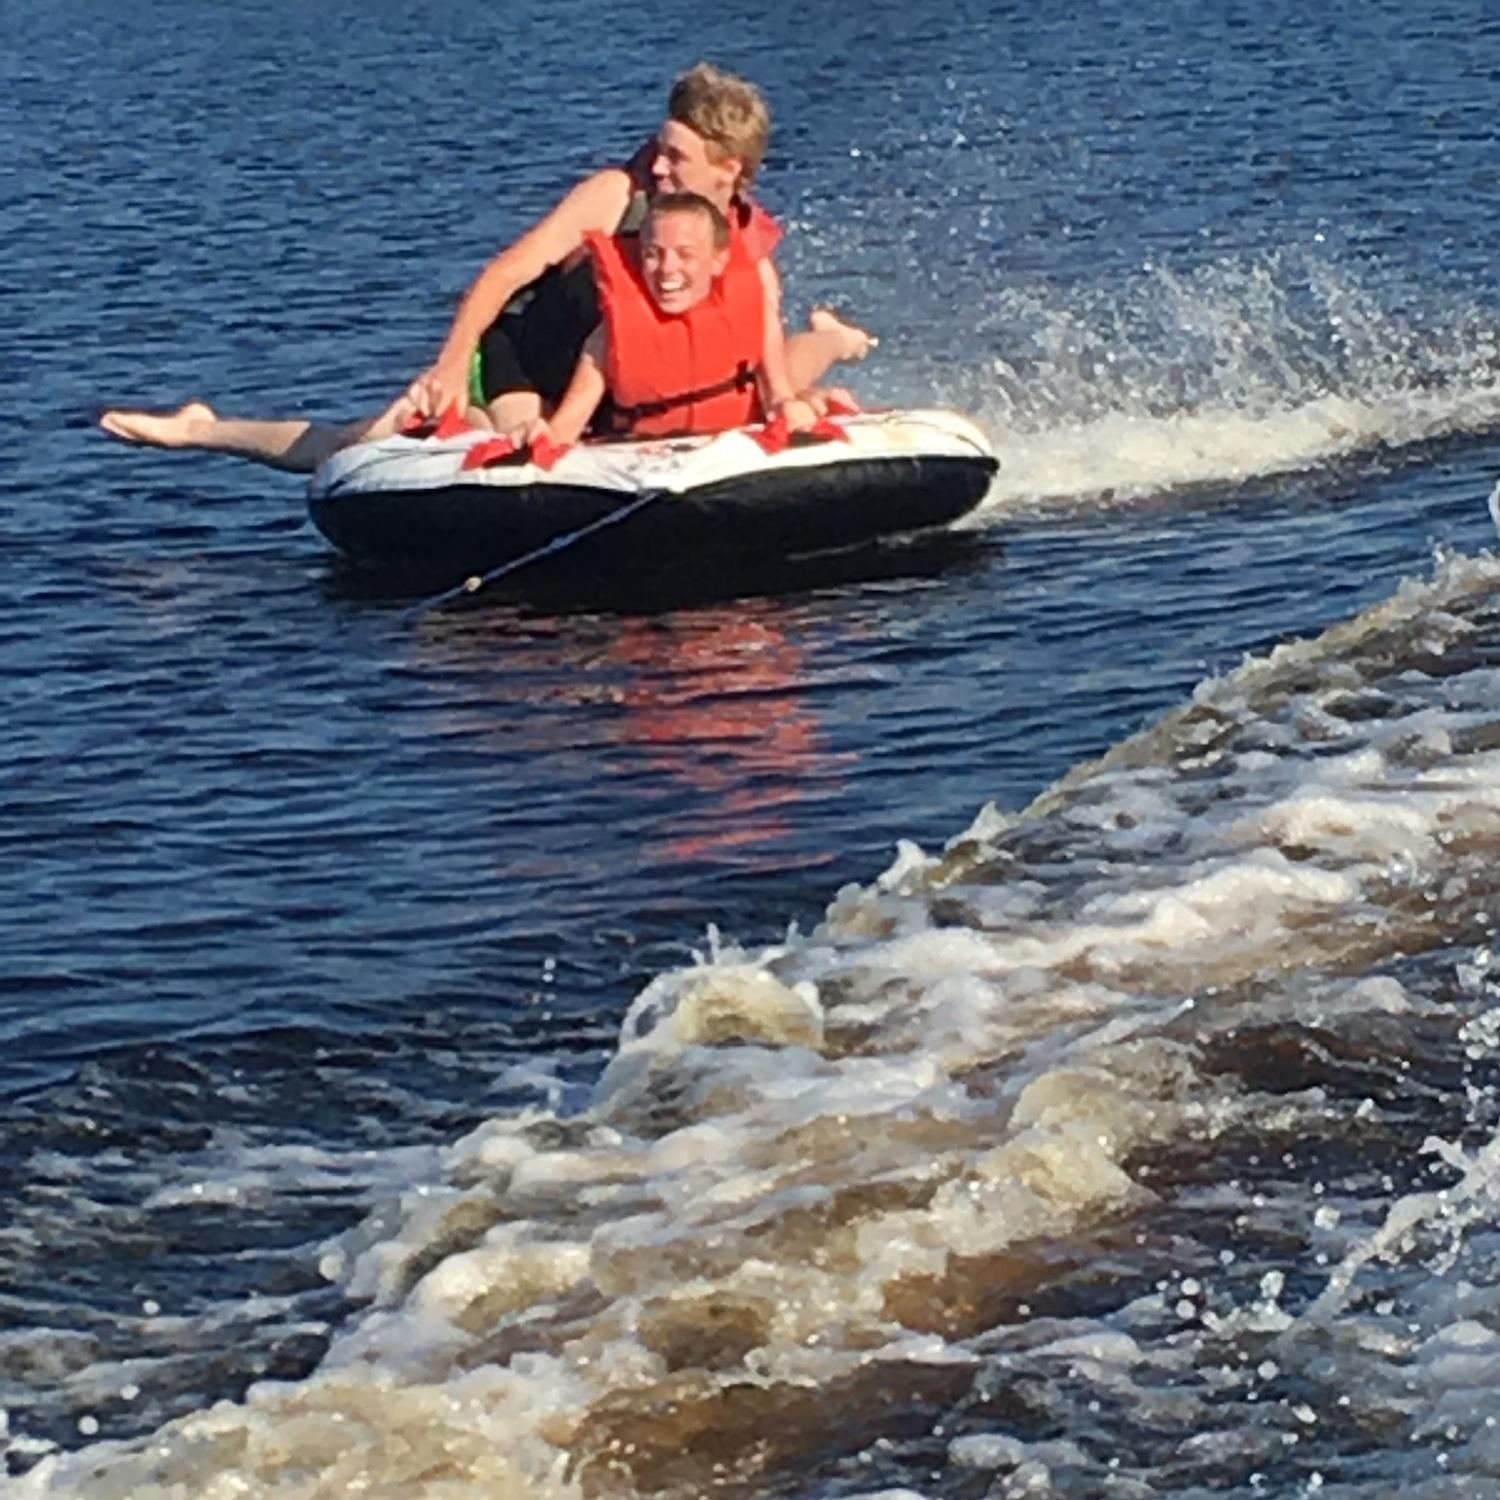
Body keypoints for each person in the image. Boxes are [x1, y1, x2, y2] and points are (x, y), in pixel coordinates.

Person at [99, 63, 870, 473]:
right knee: (371, 442)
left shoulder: (736, 235)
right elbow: (503, 275)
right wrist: (446, 366)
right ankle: (206, 429)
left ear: (728, 171)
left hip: (627, 382)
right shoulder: (614, 196)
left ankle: (830, 338)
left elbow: (741, 333)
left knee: (769, 368)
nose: (658, 165)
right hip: (528, 360)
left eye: (677, 155)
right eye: (659, 146)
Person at [517, 193, 822, 452]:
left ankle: (835, 338)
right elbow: (565, 428)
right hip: (643, 450)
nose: (667, 269)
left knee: (805, 373)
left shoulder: (755, 313)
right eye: (652, 254)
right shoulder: (608, 336)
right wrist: (541, 435)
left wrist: (788, 409)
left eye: (685, 255)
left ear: (717, 261)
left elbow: (777, 395)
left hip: (733, 441)